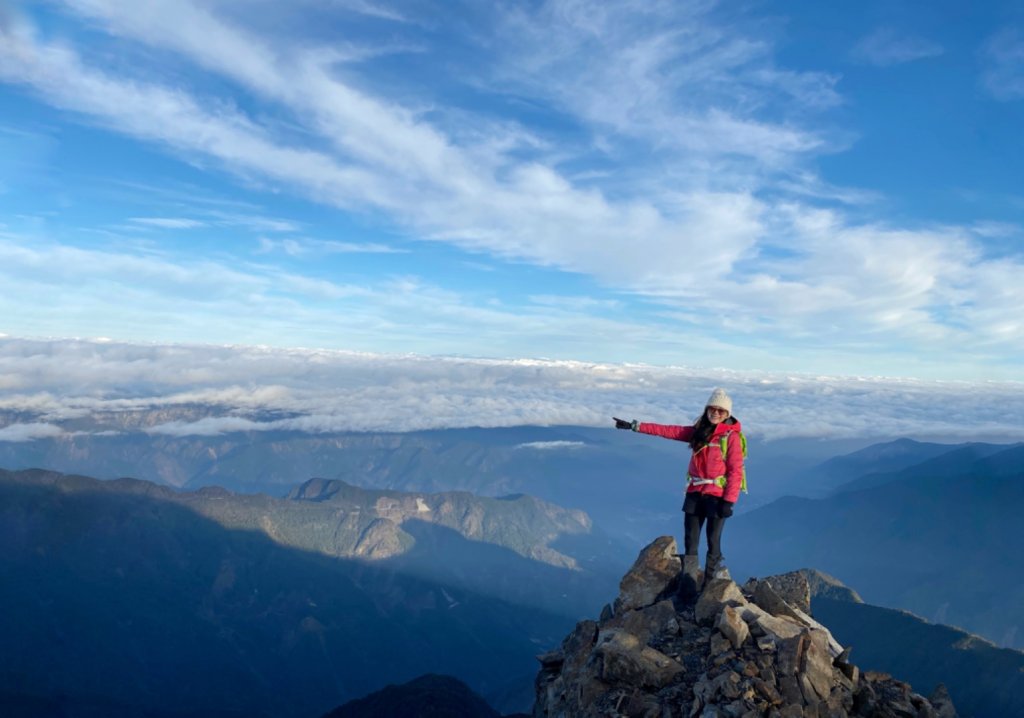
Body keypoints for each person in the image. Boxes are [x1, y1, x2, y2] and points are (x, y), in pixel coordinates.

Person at [614, 387, 745, 600]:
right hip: (695, 492)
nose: (715, 413)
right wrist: (634, 426)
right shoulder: (698, 431)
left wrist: (728, 501)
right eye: (712, 408)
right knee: (690, 540)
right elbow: (668, 431)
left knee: (713, 540)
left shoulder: (731, 437)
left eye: (720, 411)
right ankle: (688, 588)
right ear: (706, 409)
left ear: (727, 414)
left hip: (717, 496)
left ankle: (709, 589)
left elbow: (735, 470)